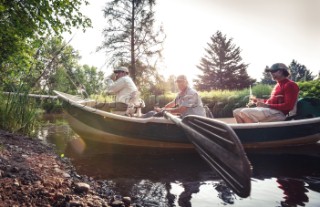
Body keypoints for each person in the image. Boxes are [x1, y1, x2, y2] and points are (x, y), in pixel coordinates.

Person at [233, 63, 299, 123]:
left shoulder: (290, 85)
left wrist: (268, 106)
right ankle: (245, 134)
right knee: (236, 112)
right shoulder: (277, 85)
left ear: (281, 72)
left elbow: (289, 106)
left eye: (273, 71)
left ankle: (254, 133)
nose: (271, 74)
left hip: (280, 113)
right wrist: (257, 100)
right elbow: (270, 102)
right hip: (271, 110)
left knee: (244, 112)